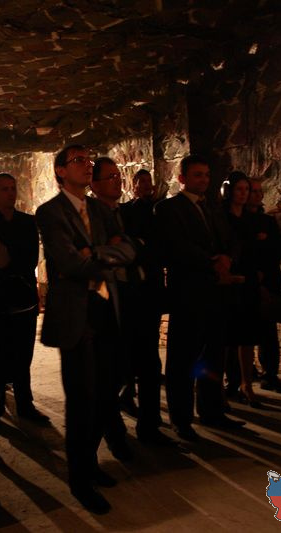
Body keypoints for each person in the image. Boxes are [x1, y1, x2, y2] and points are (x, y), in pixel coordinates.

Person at [36, 145, 135, 514]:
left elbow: (129, 250)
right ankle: (79, 481)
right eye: (79, 160)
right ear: (61, 171)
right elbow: (66, 263)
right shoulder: (50, 212)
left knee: (106, 394)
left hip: (106, 308)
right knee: (81, 400)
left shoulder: (99, 209)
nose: (87, 165)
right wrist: (105, 253)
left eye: (89, 160)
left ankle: (90, 463)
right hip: (75, 315)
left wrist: (92, 253)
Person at [154, 155, 245, 442]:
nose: (203, 180)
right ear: (182, 178)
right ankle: (181, 420)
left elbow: (232, 239)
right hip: (188, 295)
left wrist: (228, 258)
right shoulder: (168, 209)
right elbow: (176, 246)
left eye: (206, 174)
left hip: (216, 294)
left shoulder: (213, 208)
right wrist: (211, 262)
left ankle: (212, 410)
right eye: (197, 175)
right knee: (183, 360)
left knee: (213, 356)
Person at [0, 172, 47, 422]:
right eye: (4, 189)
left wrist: (7, 262)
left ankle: (25, 403)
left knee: (24, 354)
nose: (10, 193)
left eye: (12, 188)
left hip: (23, 296)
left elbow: (29, 259)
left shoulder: (27, 222)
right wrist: (9, 263)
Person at [117, 168, 168, 438]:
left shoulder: (159, 210)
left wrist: (145, 246)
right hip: (133, 287)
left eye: (150, 181)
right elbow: (130, 246)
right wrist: (142, 246)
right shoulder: (126, 211)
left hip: (153, 284)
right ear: (134, 185)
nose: (147, 185)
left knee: (148, 344)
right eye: (142, 181)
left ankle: (138, 400)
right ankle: (128, 391)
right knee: (133, 345)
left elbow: (161, 246)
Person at [246, 178, 281, 394]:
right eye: (252, 191)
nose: (257, 195)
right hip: (248, 281)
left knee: (268, 331)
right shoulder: (237, 219)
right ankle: (246, 373)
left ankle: (270, 374)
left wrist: (266, 242)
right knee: (246, 330)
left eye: (259, 191)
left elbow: (279, 248)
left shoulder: (267, 221)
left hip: (270, 280)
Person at [220, 172, 262, 408]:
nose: (244, 193)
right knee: (226, 337)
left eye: (247, 189)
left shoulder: (251, 218)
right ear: (229, 191)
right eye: (239, 189)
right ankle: (221, 384)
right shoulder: (220, 217)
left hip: (249, 281)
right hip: (229, 281)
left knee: (247, 335)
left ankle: (247, 384)